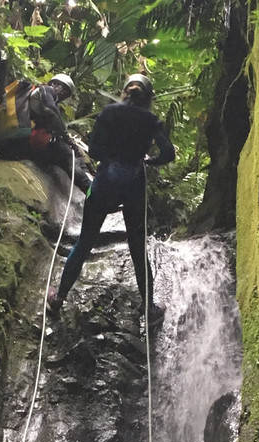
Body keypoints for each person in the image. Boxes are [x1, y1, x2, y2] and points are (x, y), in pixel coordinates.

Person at [47, 74, 176, 326]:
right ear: (149, 97)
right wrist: (150, 161)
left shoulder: (109, 112)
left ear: (125, 92)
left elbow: (94, 150)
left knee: (85, 241)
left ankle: (59, 297)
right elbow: (168, 152)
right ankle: (149, 309)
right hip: (134, 185)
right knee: (137, 247)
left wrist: (109, 157)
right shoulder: (151, 120)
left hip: (105, 181)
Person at [0, 73, 93, 192]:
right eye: (63, 88)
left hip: (8, 147)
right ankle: (91, 190)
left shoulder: (33, 98)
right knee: (67, 155)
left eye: (67, 93)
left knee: (61, 155)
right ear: (53, 83)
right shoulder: (47, 90)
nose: (63, 94)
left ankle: (87, 179)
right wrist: (66, 136)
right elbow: (50, 112)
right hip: (22, 139)